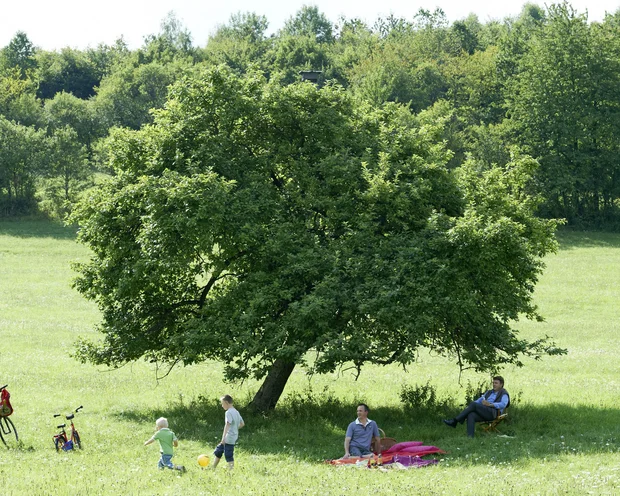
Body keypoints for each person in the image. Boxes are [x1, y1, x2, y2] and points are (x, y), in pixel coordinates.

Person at [443, 376, 510, 438]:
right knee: (471, 414)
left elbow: (503, 404)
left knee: (473, 405)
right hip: (484, 411)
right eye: (493, 383)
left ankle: (455, 421)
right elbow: (478, 401)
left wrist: (490, 404)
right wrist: (468, 408)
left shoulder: (504, 393)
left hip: (493, 413)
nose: (494, 384)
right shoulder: (489, 392)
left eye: (496, 383)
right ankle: (470, 437)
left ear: (501, 384)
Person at [212, 394, 245, 470]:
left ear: (226, 403)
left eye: (222, 404)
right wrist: (235, 429)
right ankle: (213, 467)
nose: (222, 406)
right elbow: (242, 424)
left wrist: (223, 438)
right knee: (219, 450)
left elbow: (227, 424)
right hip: (234, 435)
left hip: (229, 436)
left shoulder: (228, 412)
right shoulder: (236, 412)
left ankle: (231, 470)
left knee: (228, 454)